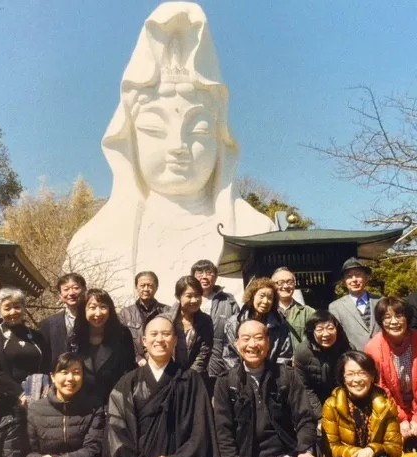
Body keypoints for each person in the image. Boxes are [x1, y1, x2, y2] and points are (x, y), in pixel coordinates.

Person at [64, 3, 274, 304]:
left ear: (220, 139)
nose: (178, 145)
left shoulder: (256, 233)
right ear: (130, 140)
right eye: (154, 128)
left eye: (198, 130)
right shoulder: (93, 241)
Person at [103, 316, 229, 457]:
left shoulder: (191, 381)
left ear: (175, 340)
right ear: (143, 341)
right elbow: (116, 435)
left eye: (166, 334)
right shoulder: (127, 384)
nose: (159, 339)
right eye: (154, 334)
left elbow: (201, 433)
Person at [214, 319, 326, 457]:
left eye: (258, 338)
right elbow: (223, 436)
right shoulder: (226, 383)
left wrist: (305, 451)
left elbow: (305, 417)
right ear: (237, 344)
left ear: (269, 343)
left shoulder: (286, 376)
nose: (252, 344)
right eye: (246, 339)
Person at [364, 297, 417, 455]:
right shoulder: (373, 349)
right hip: (393, 410)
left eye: (399, 316)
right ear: (380, 321)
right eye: (387, 317)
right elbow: (381, 389)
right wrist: (401, 419)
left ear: (407, 318)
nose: (394, 322)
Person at [321, 350, 403, 457]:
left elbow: (395, 448)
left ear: (372, 376)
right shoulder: (332, 404)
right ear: (343, 377)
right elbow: (332, 448)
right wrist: (358, 455)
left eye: (362, 373)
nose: (356, 380)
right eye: (351, 374)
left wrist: (372, 450)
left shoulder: (386, 404)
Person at [0, 287, 50, 404]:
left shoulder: (36, 335)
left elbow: (46, 365)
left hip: (38, 396)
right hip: (6, 397)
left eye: (17, 307)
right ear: (0, 311)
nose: (13, 312)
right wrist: (19, 393)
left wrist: (43, 388)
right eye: (7, 308)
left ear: (23, 308)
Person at [69, 289, 136, 408]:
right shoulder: (74, 336)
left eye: (103, 307)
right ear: (83, 310)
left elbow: (128, 370)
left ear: (110, 309)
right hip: (82, 403)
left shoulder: (122, 334)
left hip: (115, 400)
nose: (98, 313)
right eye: (92, 307)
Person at [222, 278, 293, 375]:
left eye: (270, 298)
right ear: (252, 297)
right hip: (241, 377)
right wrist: (239, 376)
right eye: (262, 296)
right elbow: (229, 355)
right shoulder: (234, 323)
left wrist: (274, 376)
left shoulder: (280, 325)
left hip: (273, 378)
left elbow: (284, 355)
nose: (265, 301)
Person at [293, 310, 353, 419]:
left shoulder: (347, 349)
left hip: (343, 402)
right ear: (312, 332)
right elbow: (306, 388)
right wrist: (320, 416)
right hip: (313, 405)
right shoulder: (303, 352)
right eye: (320, 329)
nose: (326, 334)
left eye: (330, 328)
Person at [192, 259, 239, 388]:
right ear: (193, 277)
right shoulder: (187, 299)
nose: (204, 277)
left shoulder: (228, 300)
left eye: (209, 273)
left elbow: (237, 331)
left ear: (216, 277)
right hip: (193, 363)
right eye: (199, 273)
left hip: (222, 361)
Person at [328, 257, 382, 351]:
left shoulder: (380, 301)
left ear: (366, 278)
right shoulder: (335, 307)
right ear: (344, 282)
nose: (354, 280)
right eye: (349, 276)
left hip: (382, 357)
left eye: (358, 275)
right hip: (354, 360)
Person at [166, 275, 213, 379]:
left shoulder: (205, 321)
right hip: (168, 377)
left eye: (197, 295)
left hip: (195, 378)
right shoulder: (165, 320)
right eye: (189, 296)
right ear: (178, 297)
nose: (194, 300)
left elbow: (204, 352)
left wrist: (190, 376)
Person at [118, 271, 169, 364]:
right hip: (133, 365)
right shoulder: (125, 313)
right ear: (136, 287)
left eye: (150, 285)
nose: (146, 289)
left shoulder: (167, 311)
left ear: (156, 287)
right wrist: (137, 357)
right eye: (142, 285)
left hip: (161, 362)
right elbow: (122, 342)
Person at [40, 273, 87, 370]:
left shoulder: (95, 319)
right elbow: (44, 357)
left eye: (75, 288)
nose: (71, 293)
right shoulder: (48, 324)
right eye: (66, 289)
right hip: (60, 378)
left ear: (84, 290)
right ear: (60, 296)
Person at [272, 267, 315, 350]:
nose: (285, 286)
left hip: (300, 361)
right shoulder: (267, 312)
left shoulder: (308, 312)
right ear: (273, 285)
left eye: (290, 282)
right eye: (280, 282)